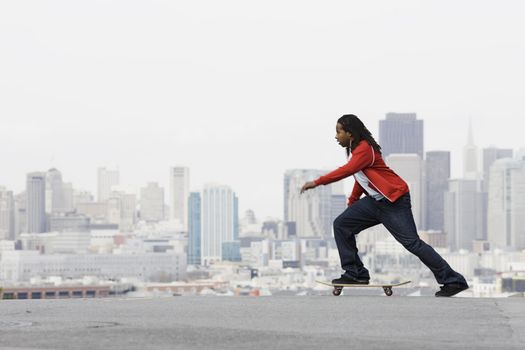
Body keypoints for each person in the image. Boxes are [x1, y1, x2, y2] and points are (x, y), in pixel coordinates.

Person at [300, 114, 469, 297]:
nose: (336, 136)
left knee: (412, 243)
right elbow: (361, 179)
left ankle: (454, 281)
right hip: (375, 202)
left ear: (350, 133)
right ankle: (355, 273)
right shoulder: (356, 150)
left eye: (338, 131)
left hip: (394, 202)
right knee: (342, 224)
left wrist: (317, 182)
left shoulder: (364, 149)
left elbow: (348, 171)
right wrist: (352, 204)